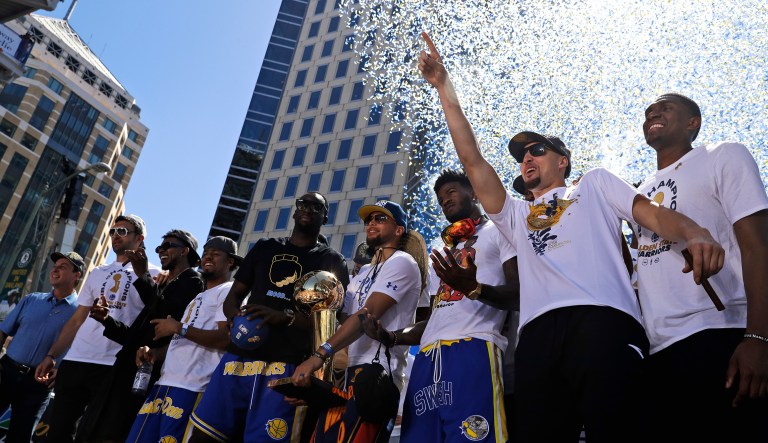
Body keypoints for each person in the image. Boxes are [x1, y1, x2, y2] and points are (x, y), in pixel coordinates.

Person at [417, 33, 725, 442]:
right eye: (522, 154)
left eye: (537, 150)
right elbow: (471, 159)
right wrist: (444, 87)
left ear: (562, 161)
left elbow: (651, 214)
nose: (527, 157)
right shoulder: (514, 213)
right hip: (538, 336)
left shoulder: (594, 184)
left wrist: (694, 231)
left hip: (603, 321)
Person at [634, 93, 768, 442]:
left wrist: (758, 337)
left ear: (693, 123)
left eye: (666, 107)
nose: (654, 113)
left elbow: (758, 246)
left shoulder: (723, 155)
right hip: (659, 350)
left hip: (721, 333)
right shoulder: (639, 195)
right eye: (649, 110)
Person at [362, 171, 519, 443]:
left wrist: (475, 288)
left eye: (451, 192)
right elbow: (434, 318)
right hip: (427, 357)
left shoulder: (500, 230)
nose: (444, 200)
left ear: (473, 192)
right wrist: (392, 336)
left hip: (474, 346)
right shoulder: (442, 252)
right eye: (439, 198)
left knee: (474, 437)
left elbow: (518, 294)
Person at [188, 192, 349, 442]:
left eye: (316, 207)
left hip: (286, 368)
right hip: (238, 361)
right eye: (303, 204)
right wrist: (234, 320)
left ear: (325, 216)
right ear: (294, 211)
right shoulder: (265, 247)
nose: (308, 209)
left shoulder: (331, 260)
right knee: (205, 437)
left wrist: (285, 318)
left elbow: (327, 322)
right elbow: (234, 297)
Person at [289, 200, 427, 443]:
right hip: (343, 373)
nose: (372, 223)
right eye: (369, 220)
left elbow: (366, 315)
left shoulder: (403, 262)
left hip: (375, 374)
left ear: (399, 230)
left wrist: (318, 356)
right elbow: (346, 319)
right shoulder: (362, 273)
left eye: (380, 218)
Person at [34, 214, 161, 442]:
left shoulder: (154, 274)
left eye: (123, 231)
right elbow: (76, 320)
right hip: (77, 360)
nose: (116, 236)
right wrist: (53, 355)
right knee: (58, 432)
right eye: (113, 231)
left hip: (113, 364)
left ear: (139, 238)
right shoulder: (97, 272)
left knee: (94, 434)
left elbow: (154, 317)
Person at [87, 229, 206, 441]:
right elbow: (137, 335)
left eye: (168, 245)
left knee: (116, 431)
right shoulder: (162, 284)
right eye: (159, 247)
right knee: (94, 428)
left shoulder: (193, 282)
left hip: (146, 369)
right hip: (125, 366)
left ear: (184, 251)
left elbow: (166, 320)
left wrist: (142, 275)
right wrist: (107, 320)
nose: (161, 250)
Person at [126, 236, 243, 442]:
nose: (208, 257)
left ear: (231, 262)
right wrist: (155, 353)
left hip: (193, 388)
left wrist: (178, 327)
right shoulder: (198, 297)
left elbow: (226, 339)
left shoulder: (228, 293)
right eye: (206, 253)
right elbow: (183, 340)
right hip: (163, 384)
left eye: (215, 254)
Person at [0, 252, 81, 442]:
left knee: (19, 437)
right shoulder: (31, 299)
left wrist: (61, 370)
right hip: (6, 371)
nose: (55, 269)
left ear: (76, 275)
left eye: (63, 267)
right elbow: (3, 332)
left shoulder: (81, 314)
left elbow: (80, 351)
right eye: (55, 266)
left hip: (38, 385)